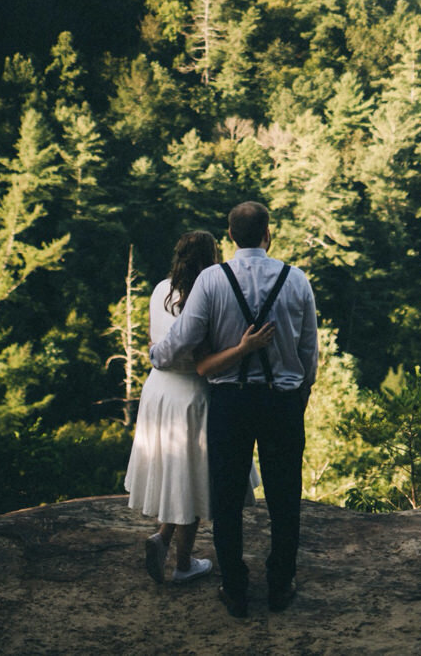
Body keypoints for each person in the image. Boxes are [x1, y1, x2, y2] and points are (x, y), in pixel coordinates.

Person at [151, 201, 320, 618]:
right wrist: (299, 395)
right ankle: (280, 584)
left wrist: (157, 355)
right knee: (285, 498)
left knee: (226, 499)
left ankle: (235, 587)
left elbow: (184, 336)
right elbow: (309, 352)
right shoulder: (296, 279)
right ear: (268, 233)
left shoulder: (211, 280)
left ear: (230, 236)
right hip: (281, 402)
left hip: (229, 402)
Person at [123, 230, 274, 585]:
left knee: (177, 476)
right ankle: (184, 562)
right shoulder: (209, 295)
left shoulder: (161, 289)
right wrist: (244, 348)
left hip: (158, 390)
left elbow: (153, 341)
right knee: (190, 481)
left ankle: (162, 537)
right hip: (192, 395)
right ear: (212, 258)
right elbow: (208, 360)